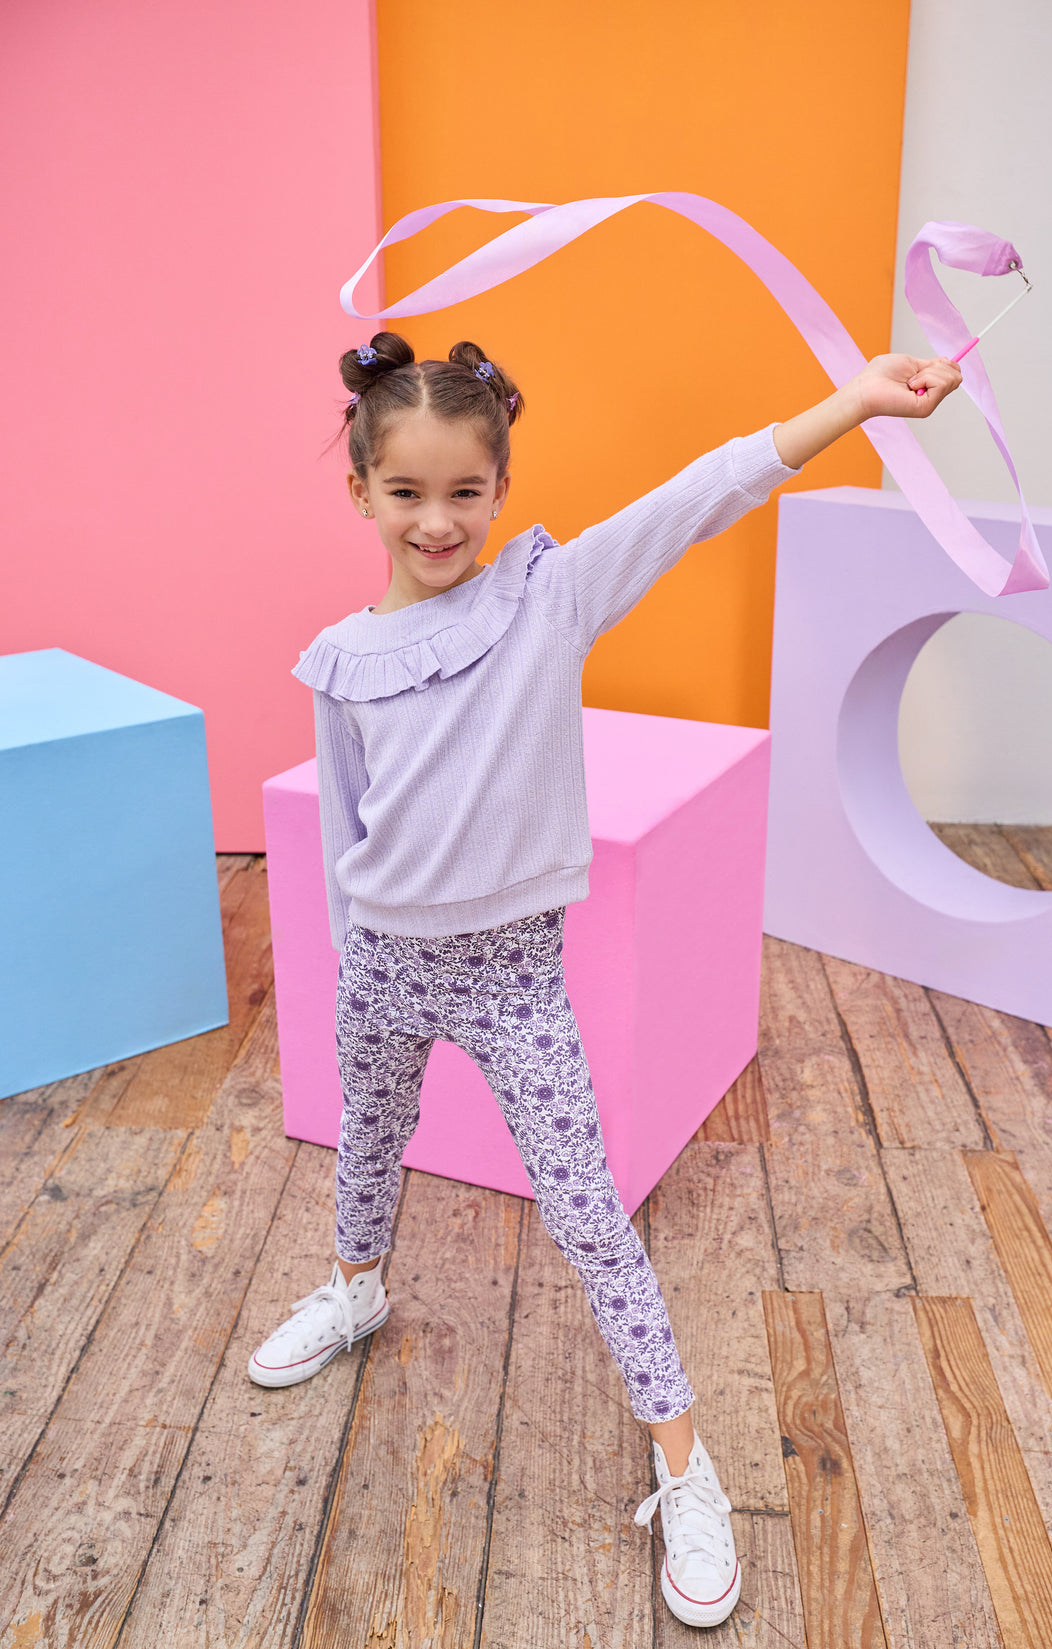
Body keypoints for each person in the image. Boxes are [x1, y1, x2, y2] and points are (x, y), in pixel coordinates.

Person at [249, 331, 961, 1628]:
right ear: (361, 493)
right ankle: (356, 1287)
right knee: (368, 1144)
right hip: (387, 966)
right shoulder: (339, 659)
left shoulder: (548, 597)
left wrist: (851, 402)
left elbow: (707, 491)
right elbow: (349, 825)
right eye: (406, 492)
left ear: (500, 488)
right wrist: (356, 961)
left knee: (588, 1217)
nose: (438, 519)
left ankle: (683, 1460)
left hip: (514, 973)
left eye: (466, 490)